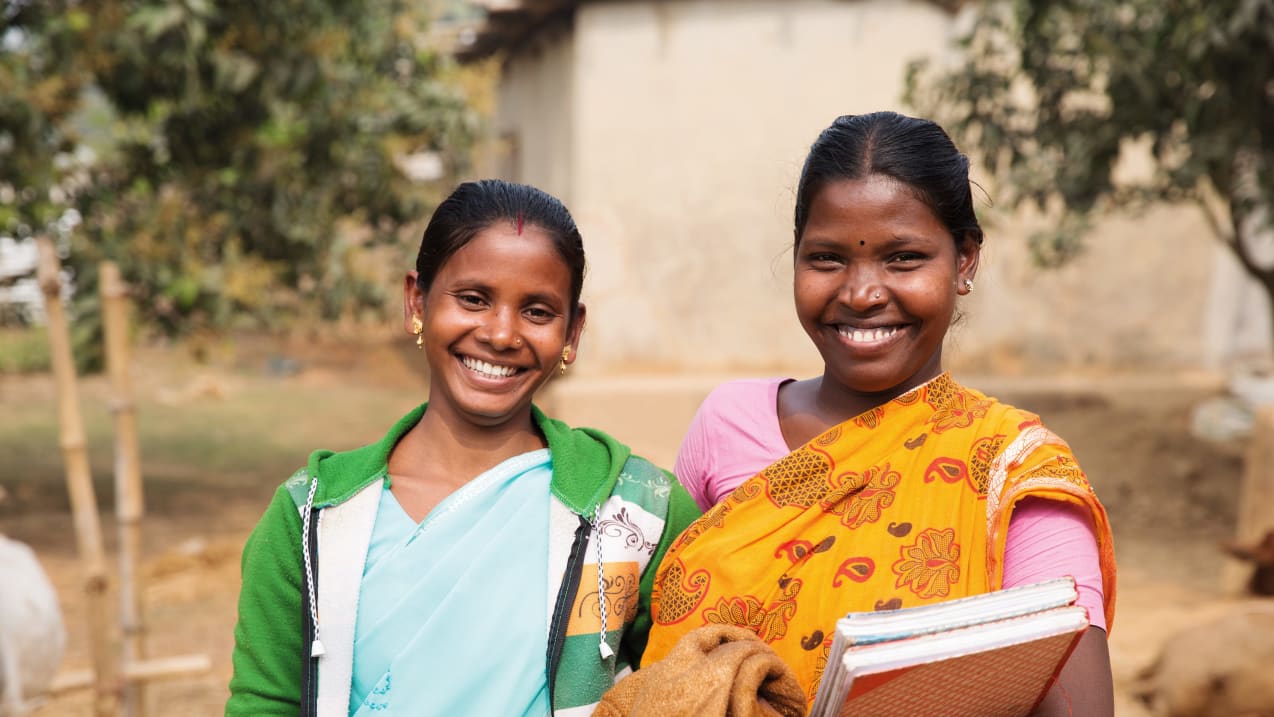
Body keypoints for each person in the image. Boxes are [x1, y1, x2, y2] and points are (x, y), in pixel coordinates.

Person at [642, 112, 1116, 716]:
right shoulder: (726, 422)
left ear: (964, 259)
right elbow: (666, 663)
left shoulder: (1014, 473)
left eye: (902, 258)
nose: (862, 293)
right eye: (827, 258)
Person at [225, 179, 701, 717]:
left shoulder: (638, 511)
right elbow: (265, 702)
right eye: (473, 299)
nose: (501, 334)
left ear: (573, 330)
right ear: (416, 301)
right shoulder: (312, 517)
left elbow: (690, 684)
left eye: (538, 312)